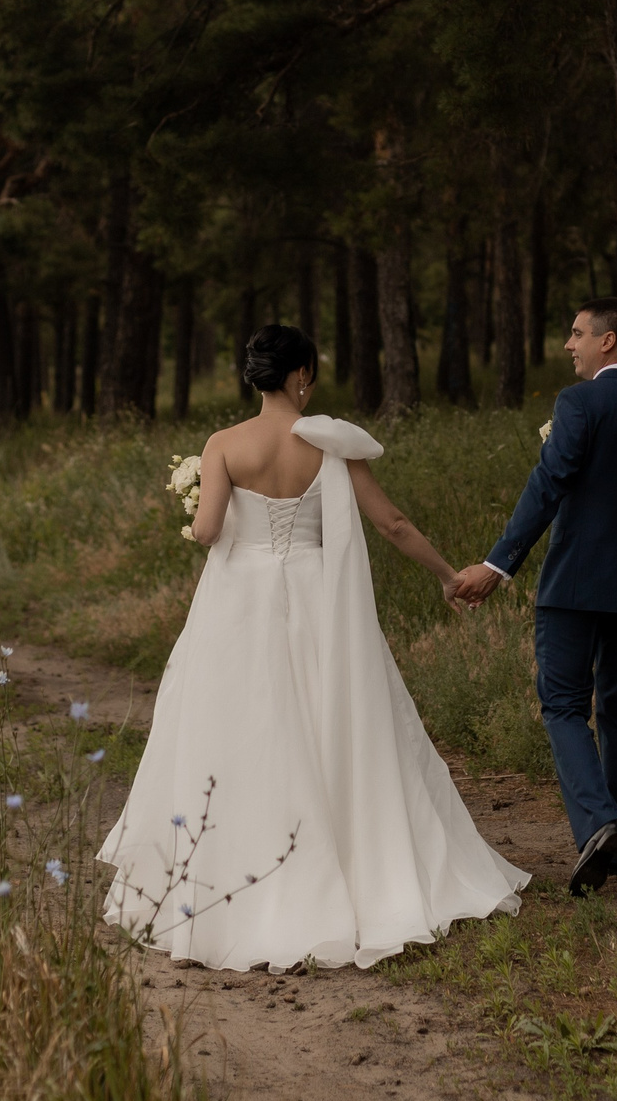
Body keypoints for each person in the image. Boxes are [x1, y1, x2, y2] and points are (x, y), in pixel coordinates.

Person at [97, 323, 529, 969]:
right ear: (301, 373)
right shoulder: (329, 443)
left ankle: (228, 892)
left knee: (236, 737)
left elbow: (209, 529)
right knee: (333, 725)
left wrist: (197, 505)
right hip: (316, 601)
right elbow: (392, 522)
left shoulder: (223, 444)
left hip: (238, 605)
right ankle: (353, 868)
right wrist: (448, 576)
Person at [450, 298, 617, 896]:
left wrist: (497, 564)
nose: (569, 344)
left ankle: (599, 825)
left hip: (575, 586)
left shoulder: (579, 403)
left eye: (578, 333)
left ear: (609, 342)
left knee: (562, 705)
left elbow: (548, 483)